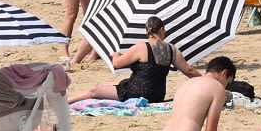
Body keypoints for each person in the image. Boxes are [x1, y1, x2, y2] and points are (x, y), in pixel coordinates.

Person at [68, 17, 199, 104]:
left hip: (137, 92)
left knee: (95, 90)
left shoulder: (141, 48)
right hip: (157, 95)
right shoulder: (172, 49)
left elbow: (117, 64)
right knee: (110, 84)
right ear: (162, 30)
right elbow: (189, 70)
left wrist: (115, 54)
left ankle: (67, 101)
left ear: (147, 32)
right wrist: (207, 80)